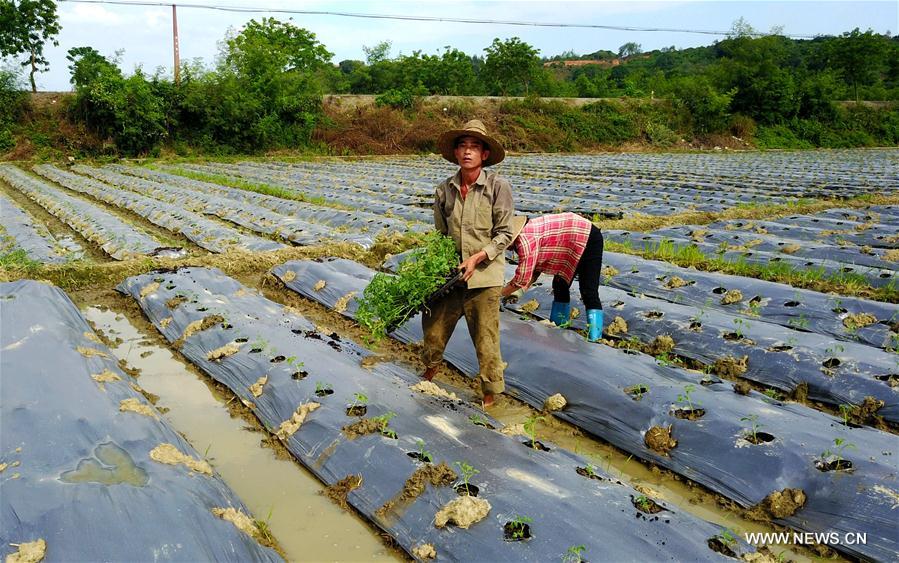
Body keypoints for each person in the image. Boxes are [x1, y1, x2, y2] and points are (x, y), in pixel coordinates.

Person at [421, 119, 515, 408]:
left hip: (484, 278)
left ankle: (489, 396)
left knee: (486, 339)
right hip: (452, 277)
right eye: (462, 146)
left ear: (484, 154)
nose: (467, 151)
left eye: (474, 147)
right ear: (456, 152)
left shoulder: (498, 187)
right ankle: (427, 376)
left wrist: (477, 258)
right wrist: (439, 268)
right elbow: (440, 235)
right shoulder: (444, 190)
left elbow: (506, 233)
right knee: (434, 330)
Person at [501, 212, 605, 341]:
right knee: (560, 284)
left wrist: (498, 295)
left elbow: (521, 279)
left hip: (588, 237)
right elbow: (534, 271)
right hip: (569, 242)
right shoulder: (524, 236)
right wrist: (517, 293)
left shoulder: (525, 240)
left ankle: (595, 339)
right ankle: (558, 329)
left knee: (588, 290)